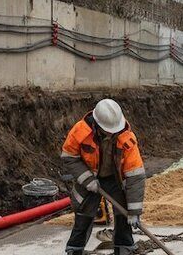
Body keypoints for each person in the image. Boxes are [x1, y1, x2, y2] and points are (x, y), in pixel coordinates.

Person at [60, 99, 146, 255]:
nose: (112, 133)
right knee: (84, 215)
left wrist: (134, 211)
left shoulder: (127, 138)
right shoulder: (81, 131)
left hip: (115, 179)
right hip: (89, 177)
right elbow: (69, 156)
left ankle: (124, 248)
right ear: (98, 124)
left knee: (123, 214)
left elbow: (135, 175)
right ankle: (75, 250)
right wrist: (87, 179)